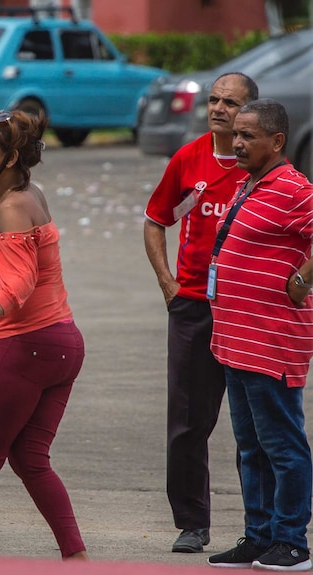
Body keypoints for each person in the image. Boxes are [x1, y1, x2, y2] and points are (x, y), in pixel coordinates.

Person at [0, 110, 87, 560]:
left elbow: (20, 284)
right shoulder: (22, 196)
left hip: (23, 347)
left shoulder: (10, 209)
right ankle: (77, 557)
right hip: (61, 343)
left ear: (9, 159)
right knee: (29, 459)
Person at [143, 72, 258, 554]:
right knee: (188, 421)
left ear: (250, 110)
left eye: (230, 103)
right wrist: (168, 283)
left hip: (246, 310)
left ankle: (264, 528)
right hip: (192, 308)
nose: (218, 109)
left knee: (253, 423)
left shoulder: (263, 167)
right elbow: (155, 222)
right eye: (213, 100)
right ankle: (192, 521)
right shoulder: (187, 160)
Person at [207, 98, 313, 571]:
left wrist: (305, 277)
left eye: (248, 135)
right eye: (236, 134)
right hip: (236, 339)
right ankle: (259, 535)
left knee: (283, 447)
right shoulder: (250, 184)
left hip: (271, 341)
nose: (238, 143)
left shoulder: (292, 188)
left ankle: (291, 542)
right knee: (250, 447)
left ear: (277, 141)